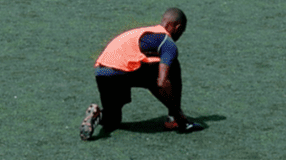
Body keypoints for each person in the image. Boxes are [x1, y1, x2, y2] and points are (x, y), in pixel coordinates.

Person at [80, 8, 201, 141]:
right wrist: (180, 116)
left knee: (112, 120)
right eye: (181, 32)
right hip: (122, 71)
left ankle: (96, 115)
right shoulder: (168, 43)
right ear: (177, 27)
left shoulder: (146, 32)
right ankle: (175, 119)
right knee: (171, 67)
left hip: (102, 72)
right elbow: (161, 82)